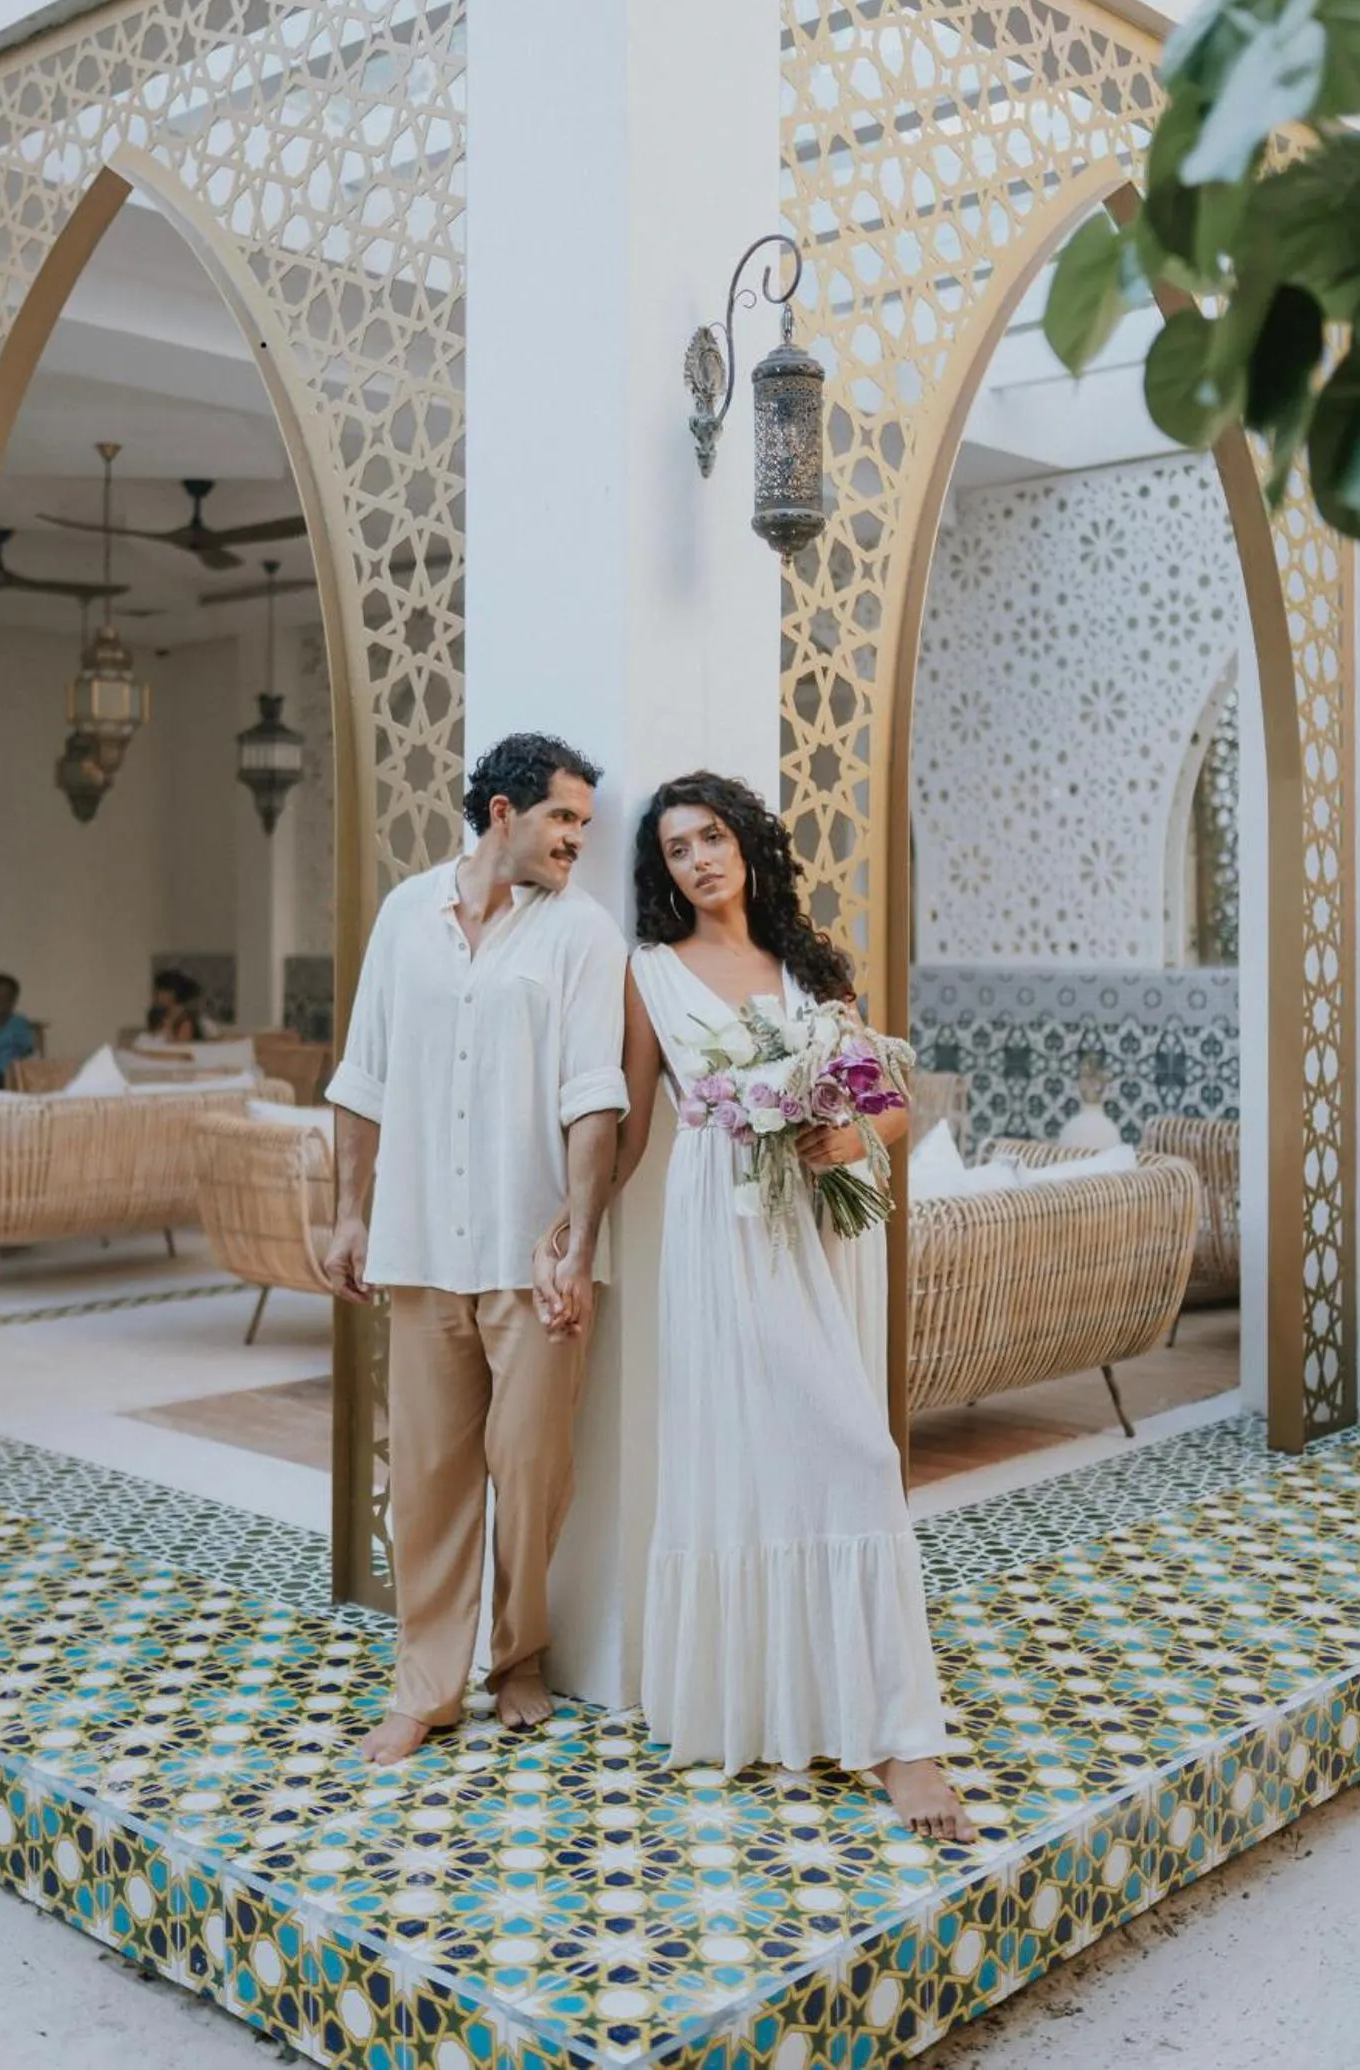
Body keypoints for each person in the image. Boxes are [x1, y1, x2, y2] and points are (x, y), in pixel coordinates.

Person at [538, 772, 974, 1841]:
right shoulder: (649, 973)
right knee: (809, 1458)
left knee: (849, 1454)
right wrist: (575, 1227)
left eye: (713, 836)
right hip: (723, 1231)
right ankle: (865, 1728)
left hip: (820, 1229)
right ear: (665, 871)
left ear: (747, 847)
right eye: (677, 847)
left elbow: (890, 1104)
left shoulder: (810, 966)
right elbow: (634, 1124)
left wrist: (855, 1135)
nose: (698, 858)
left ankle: (887, 1731)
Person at [325, 732, 628, 1765]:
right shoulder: (406, 914)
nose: (576, 839)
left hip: (528, 1253)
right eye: (563, 818)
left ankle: (520, 1654)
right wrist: (351, 1211)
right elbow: (362, 1077)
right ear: (502, 813)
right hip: (419, 1245)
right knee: (430, 1475)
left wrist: (577, 1242)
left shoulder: (583, 933)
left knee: (532, 1467)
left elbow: (596, 1098)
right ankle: (426, 1686)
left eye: (585, 823)